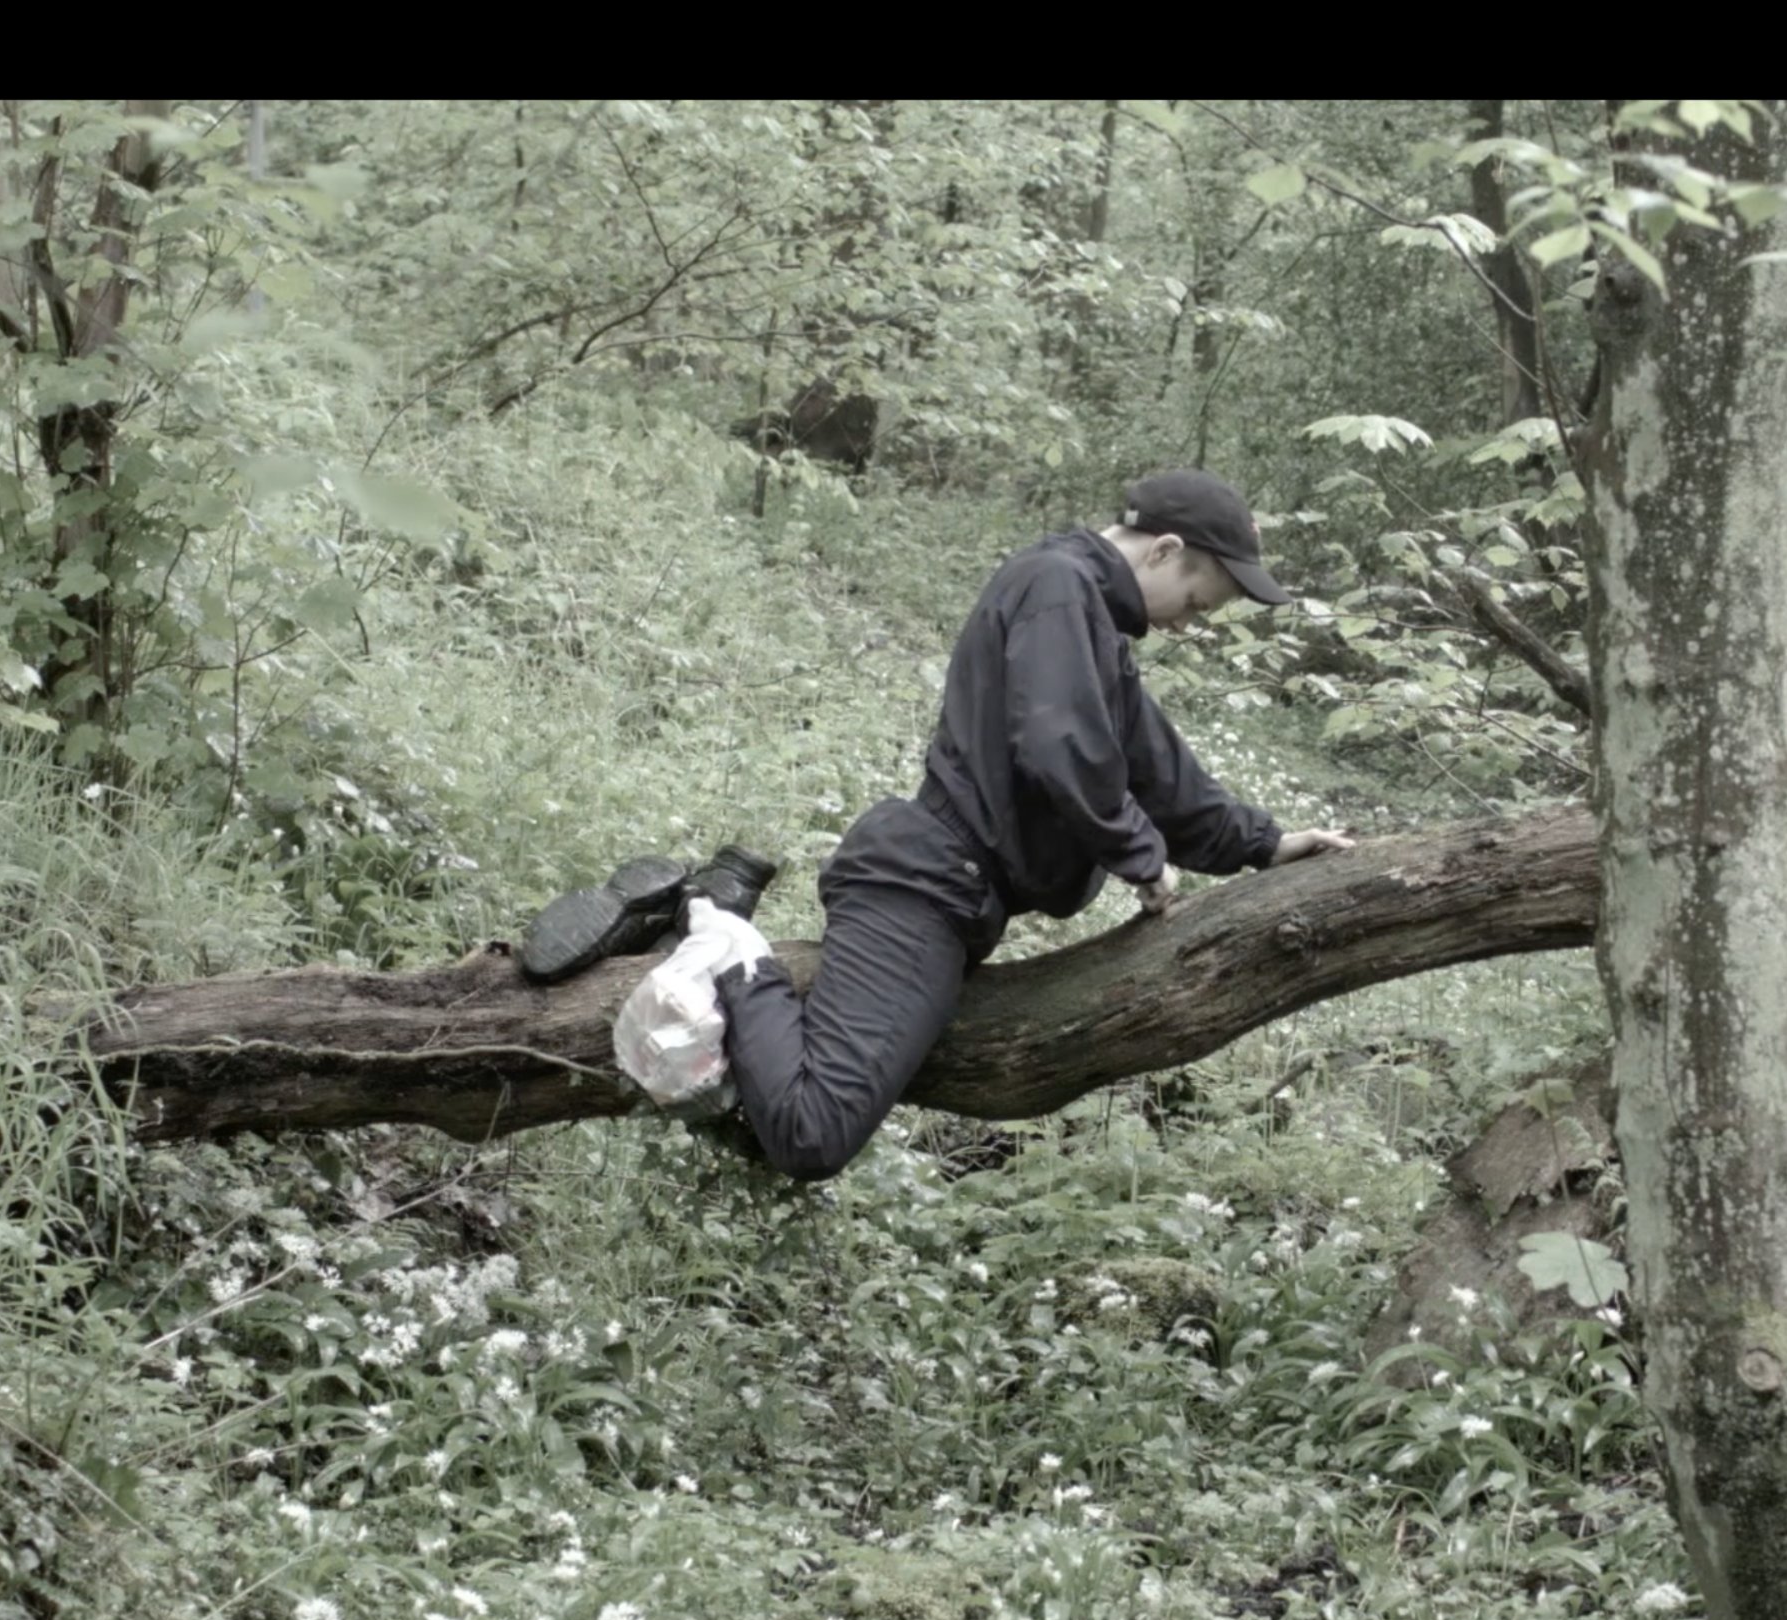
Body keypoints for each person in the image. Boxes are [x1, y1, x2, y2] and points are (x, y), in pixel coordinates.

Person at [577, 470, 1352, 1180]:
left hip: (948, 895)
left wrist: (1264, 844)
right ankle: (723, 941)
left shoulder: (1088, 621)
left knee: (785, 1121)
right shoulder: (1056, 587)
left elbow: (1157, 767)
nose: (1191, 625)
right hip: (923, 889)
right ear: (1168, 550)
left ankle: (711, 935)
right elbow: (1058, 743)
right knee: (812, 1136)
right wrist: (1139, 857)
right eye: (1197, 602)